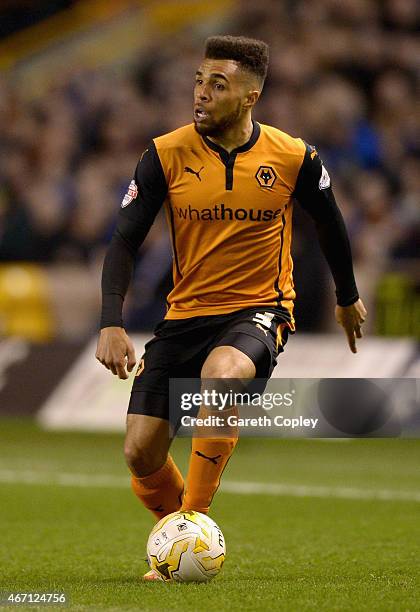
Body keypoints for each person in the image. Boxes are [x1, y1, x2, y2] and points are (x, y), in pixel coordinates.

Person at [96, 35, 367, 580]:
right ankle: (185, 540)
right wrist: (111, 321)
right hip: (184, 315)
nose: (201, 93)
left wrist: (347, 297)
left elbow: (331, 224)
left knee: (221, 378)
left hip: (259, 310)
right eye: (199, 81)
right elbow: (124, 239)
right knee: (140, 453)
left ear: (250, 96)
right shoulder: (165, 154)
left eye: (217, 85)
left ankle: (194, 522)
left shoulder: (293, 157)